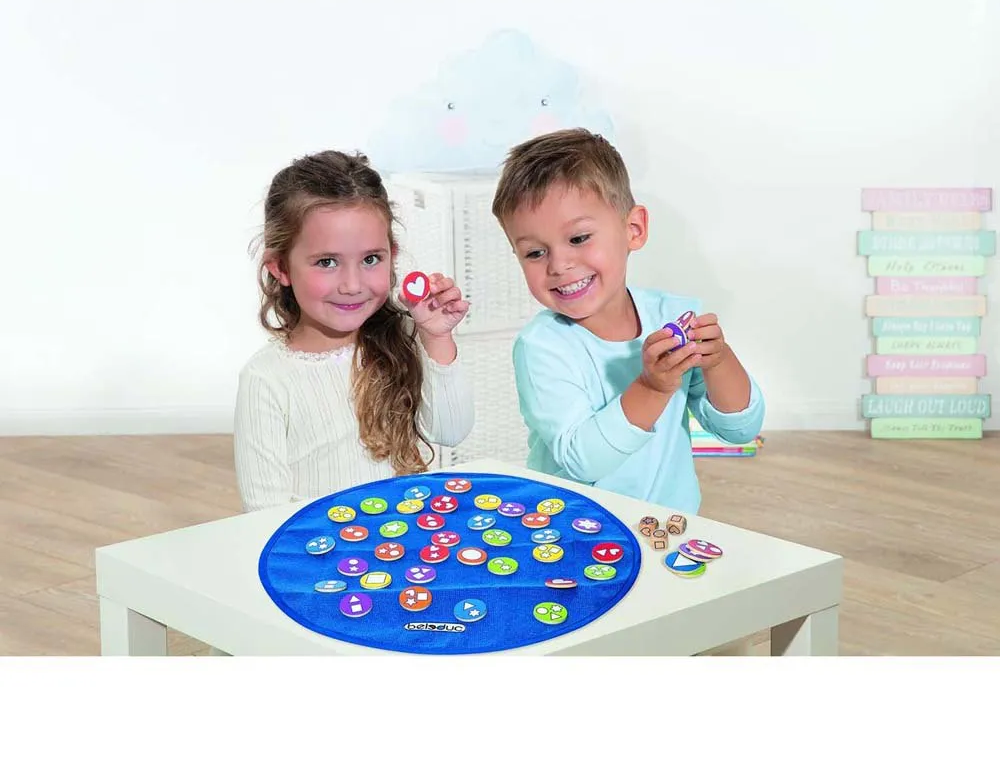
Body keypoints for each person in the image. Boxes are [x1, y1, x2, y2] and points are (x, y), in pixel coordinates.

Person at [491, 128, 764, 513]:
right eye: (535, 253)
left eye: (578, 238)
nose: (559, 265)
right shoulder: (542, 346)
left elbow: (740, 429)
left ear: (633, 230)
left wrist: (719, 361)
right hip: (574, 531)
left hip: (668, 526)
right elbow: (582, 460)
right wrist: (652, 387)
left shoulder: (673, 317)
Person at [234, 149, 474, 511]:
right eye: (327, 262)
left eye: (371, 259)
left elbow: (451, 431)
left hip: (407, 537)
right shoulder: (266, 378)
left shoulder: (403, 336)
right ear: (280, 267)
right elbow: (263, 510)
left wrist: (437, 337)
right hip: (321, 546)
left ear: (392, 254)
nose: (352, 285)